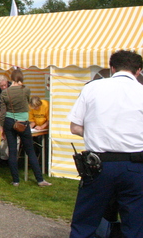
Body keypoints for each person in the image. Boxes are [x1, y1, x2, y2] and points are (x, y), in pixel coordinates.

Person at [68, 50, 143, 237]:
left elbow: (75, 127)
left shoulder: (93, 88)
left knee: (85, 223)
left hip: (98, 164)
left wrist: (97, 132)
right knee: (134, 225)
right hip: (135, 165)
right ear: (138, 70)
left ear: (112, 68)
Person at [0, 68, 51, 187]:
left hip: (9, 121)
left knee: (13, 151)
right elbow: (27, 102)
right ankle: (40, 180)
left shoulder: (5, 92)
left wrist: (2, 128)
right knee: (30, 151)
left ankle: (16, 181)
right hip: (23, 122)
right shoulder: (26, 89)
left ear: (11, 79)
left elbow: (3, 112)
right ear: (21, 79)